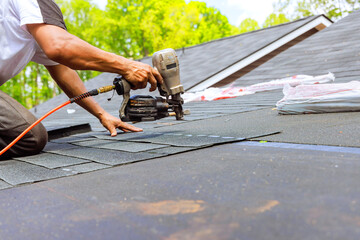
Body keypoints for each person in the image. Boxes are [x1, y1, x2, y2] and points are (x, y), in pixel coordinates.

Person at [0, 0, 163, 159]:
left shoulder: (34, 22)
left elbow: (63, 70)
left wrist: (102, 114)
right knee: (30, 138)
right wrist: (126, 66)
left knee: (27, 136)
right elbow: (59, 46)